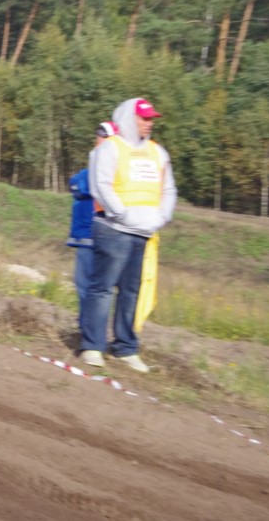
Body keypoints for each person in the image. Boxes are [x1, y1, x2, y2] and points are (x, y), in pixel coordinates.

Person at [79, 98, 177, 373]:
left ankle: (126, 348)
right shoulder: (110, 148)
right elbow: (101, 186)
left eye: (151, 118)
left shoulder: (158, 152)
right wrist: (121, 214)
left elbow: (168, 189)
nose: (149, 123)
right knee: (103, 288)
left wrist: (162, 217)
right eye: (143, 118)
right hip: (113, 228)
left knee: (131, 292)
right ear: (128, 119)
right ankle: (93, 346)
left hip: (142, 232)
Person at [67, 121, 116, 311]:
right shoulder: (96, 165)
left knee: (87, 286)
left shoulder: (102, 167)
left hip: (91, 235)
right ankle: (90, 324)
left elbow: (79, 185)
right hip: (90, 235)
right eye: (98, 134)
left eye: (104, 135)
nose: (98, 138)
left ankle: (89, 325)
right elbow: (73, 184)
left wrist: (80, 184)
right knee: (93, 286)